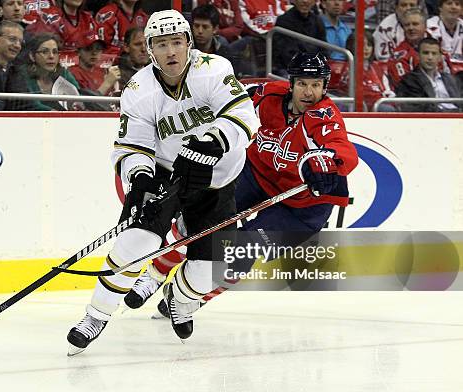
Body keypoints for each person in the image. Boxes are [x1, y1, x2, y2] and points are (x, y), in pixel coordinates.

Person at [66, 9, 258, 355]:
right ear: (150, 50)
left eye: (176, 42)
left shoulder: (213, 69)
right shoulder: (139, 89)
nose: (171, 52)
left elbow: (243, 115)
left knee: (209, 270)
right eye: (161, 45)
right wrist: (139, 177)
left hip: (217, 181)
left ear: (189, 43)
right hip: (169, 173)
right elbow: (132, 146)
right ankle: (95, 316)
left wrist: (212, 142)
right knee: (133, 244)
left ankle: (180, 299)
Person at [124, 52, 359, 317]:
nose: (309, 92)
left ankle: (190, 299)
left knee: (243, 250)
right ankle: (155, 275)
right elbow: (229, 98)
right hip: (257, 174)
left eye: (316, 85)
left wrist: (324, 162)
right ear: (291, 83)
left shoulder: (324, 115)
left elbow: (342, 148)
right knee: (200, 216)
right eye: (303, 83)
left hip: (305, 206)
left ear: (325, 87)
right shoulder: (268, 95)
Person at [396, 37, 461, 111]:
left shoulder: (451, 79)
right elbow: (421, 110)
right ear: (418, 55)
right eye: (426, 53)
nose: (430, 57)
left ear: (440, 57)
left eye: (434, 53)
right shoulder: (409, 81)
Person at [22, 33, 83, 110]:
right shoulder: (23, 75)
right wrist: (52, 113)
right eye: (45, 52)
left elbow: (79, 100)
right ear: (32, 56)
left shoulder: (64, 74)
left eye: (55, 52)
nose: (51, 56)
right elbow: (31, 105)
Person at [273, 0, 327, 74]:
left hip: (314, 67)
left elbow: (324, 48)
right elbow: (287, 54)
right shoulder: (283, 21)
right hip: (289, 69)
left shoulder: (317, 21)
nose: (305, 1)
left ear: (314, 2)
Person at [387, 8, 432, 86]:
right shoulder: (399, 56)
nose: (411, 28)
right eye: (407, 25)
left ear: (425, 26)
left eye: (415, 24)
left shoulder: (437, 46)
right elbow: (405, 86)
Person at [427, 0, 462, 73]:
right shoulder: (429, 27)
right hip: (439, 74)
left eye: (457, 4)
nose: (453, 7)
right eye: (449, 3)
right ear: (440, 7)